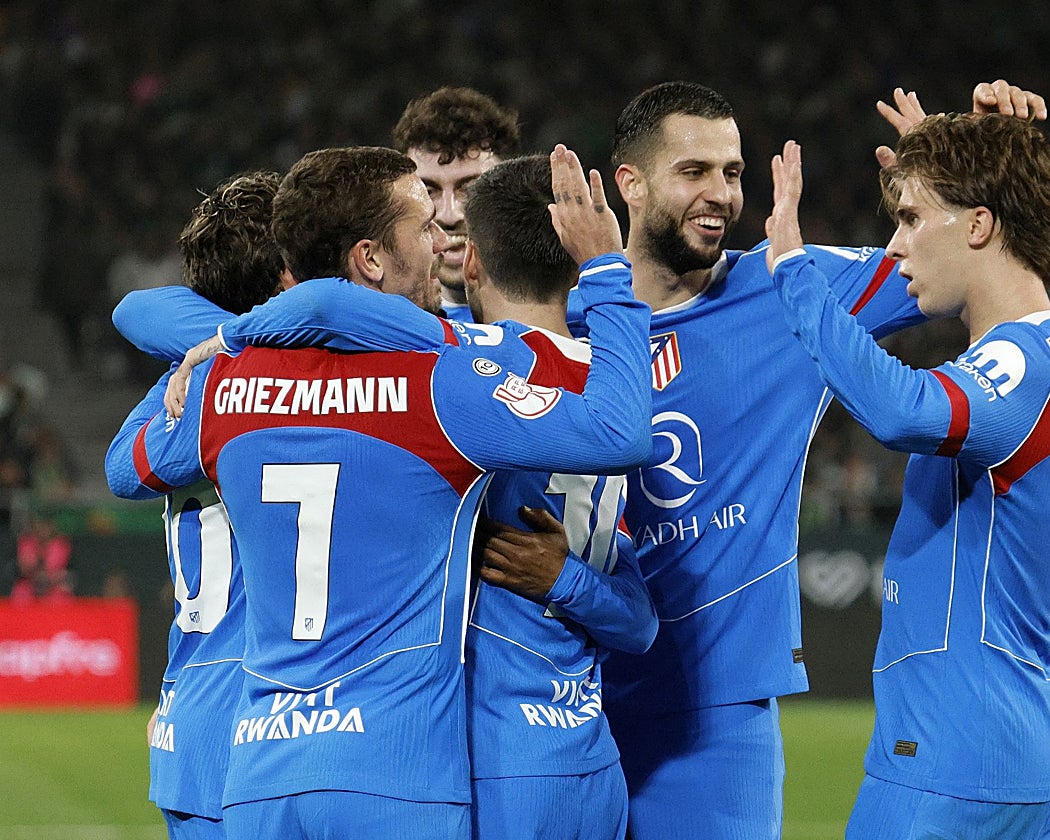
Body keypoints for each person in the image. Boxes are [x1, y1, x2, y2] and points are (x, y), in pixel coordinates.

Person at [109, 144, 651, 840]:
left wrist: (233, 333)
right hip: (395, 772)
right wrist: (606, 270)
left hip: (259, 772)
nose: (441, 240)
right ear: (369, 258)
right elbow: (619, 431)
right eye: (424, 225)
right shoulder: (440, 381)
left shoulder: (225, 384)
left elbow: (127, 450)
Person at [588, 80, 1047, 838]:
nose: (721, 194)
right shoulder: (566, 314)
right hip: (566, 707)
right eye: (694, 171)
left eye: (733, 173)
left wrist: (983, 174)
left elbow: (976, 265)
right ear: (629, 183)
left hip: (716, 719)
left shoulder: (786, 281)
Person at [766, 115, 1050, 839]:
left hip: (956, 750)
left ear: (979, 225)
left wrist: (794, 271)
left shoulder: (1025, 363)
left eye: (913, 219)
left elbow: (902, 411)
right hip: (1030, 731)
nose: (895, 246)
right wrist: (973, 152)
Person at [106, 169, 294, 840]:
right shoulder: (285, 381)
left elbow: (121, 466)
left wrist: (215, 344)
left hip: (190, 715)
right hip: (261, 717)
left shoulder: (193, 379)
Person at [393, 86, 521, 320]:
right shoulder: (381, 328)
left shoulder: (577, 316)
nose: (449, 215)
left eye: (470, 189)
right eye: (427, 191)